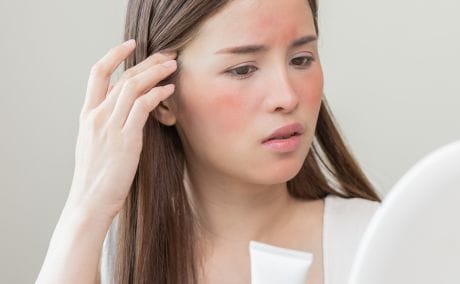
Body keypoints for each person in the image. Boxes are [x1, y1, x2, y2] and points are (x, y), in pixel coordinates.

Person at [36, 0, 382, 283]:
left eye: (301, 60)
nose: (287, 96)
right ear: (164, 98)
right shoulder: (105, 259)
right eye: (243, 69)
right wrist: (87, 204)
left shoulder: (374, 240)